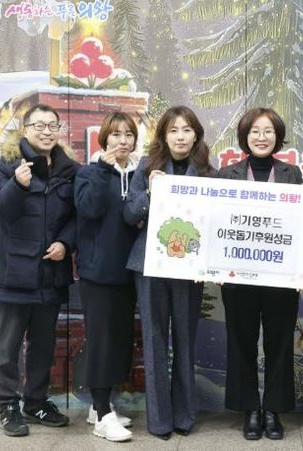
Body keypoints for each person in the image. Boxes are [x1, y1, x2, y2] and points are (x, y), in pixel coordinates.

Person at [0, 104, 79, 436]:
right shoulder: (5, 166)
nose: (47, 131)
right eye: (39, 125)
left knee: (43, 345)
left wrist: (65, 242)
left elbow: (77, 217)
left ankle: (36, 401)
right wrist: (17, 185)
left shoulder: (70, 170)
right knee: (7, 347)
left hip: (50, 275)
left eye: (53, 126)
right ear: (25, 130)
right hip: (13, 275)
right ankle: (7, 405)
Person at [123, 106, 215, 440]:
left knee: (186, 341)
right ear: (163, 135)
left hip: (190, 267)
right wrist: (150, 192)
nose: (180, 136)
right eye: (173, 130)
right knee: (154, 340)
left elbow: (216, 224)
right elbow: (129, 214)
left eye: (187, 129)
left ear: (196, 135)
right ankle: (160, 420)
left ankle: (184, 416)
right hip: (150, 264)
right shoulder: (147, 167)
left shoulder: (208, 173)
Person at [217, 108, 302, 441]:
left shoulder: (292, 174)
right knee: (241, 341)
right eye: (255, 131)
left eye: (268, 131)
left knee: (280, 342)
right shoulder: (227, 174)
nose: (261, 137)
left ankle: (273, 410)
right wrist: (215, 264)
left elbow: (299, 225)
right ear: (245, 137)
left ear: (277, 137)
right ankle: (250, 409)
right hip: (239, 274)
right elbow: (217, 223)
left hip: (280, 275)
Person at [74, 112, 140, 442]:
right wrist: (102, 169)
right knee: (101, 341)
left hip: (128, 273)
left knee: (119, 342)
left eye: (128, 134)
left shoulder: (140, 175)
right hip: (97, 273)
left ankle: (100, 406)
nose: (122, 141)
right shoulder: (89, 172)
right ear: (104, 139)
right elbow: (89, 208)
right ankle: (102, 414)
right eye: (115, 134)